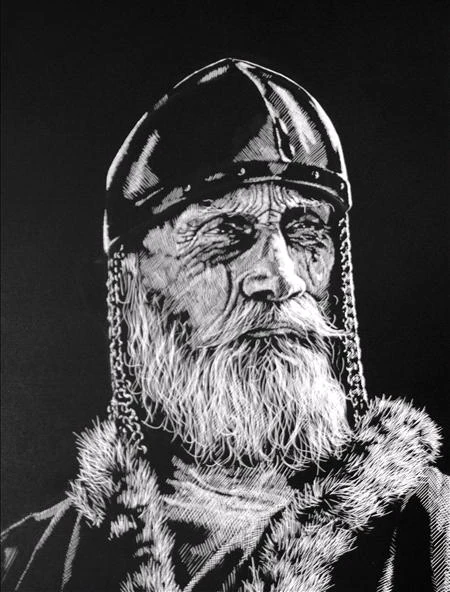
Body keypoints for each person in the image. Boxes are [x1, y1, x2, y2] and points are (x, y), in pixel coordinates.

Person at [2, 58, 448, 592]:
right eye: (225, 233)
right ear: (134, 280)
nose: (281, 278)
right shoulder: (27, 563)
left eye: (305, 230)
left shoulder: (433, 533)